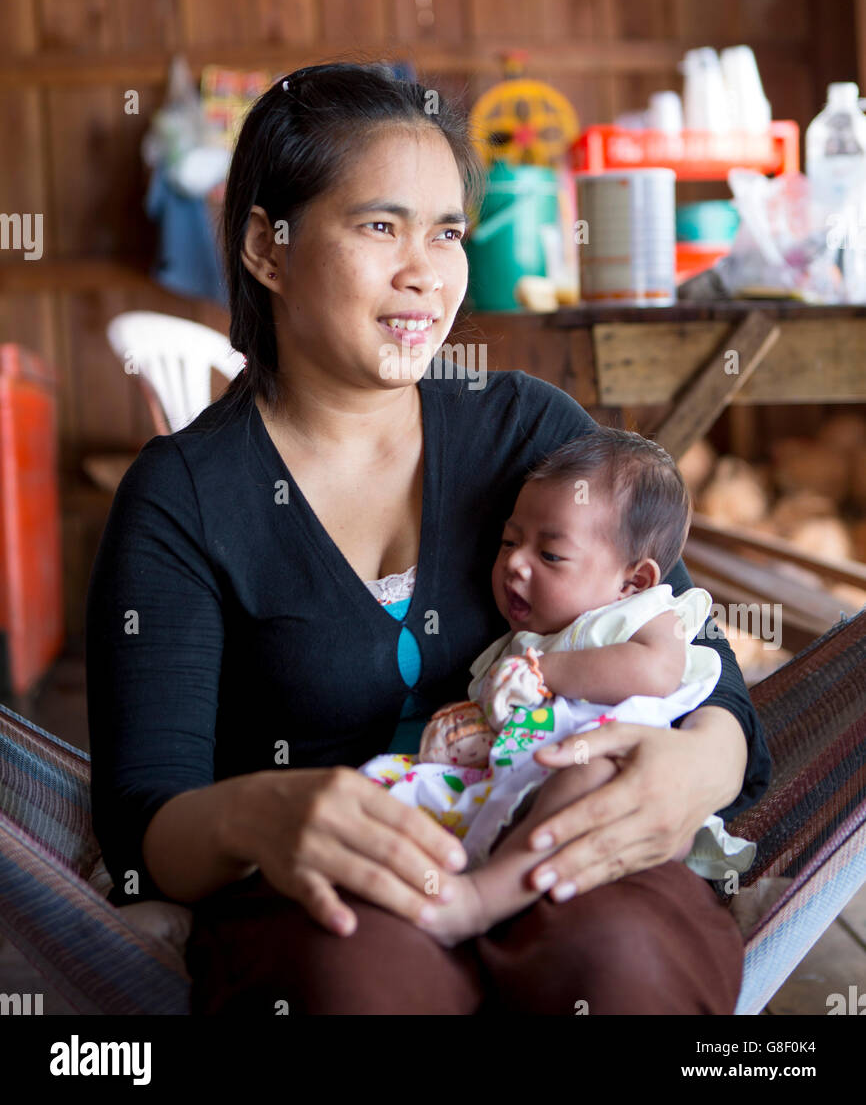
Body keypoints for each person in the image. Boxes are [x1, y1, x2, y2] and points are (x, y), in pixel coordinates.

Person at [86, 61, 771, 1016]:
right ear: (267, 248)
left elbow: (699, 663)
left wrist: (697, 768)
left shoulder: (529, 435)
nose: (426, 270)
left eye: (446, 232)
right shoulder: (184, 498)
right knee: (369, 987)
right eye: (380, 226)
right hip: (328, 894)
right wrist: (269, 812)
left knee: (622, 963)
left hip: (565, 842)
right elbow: (142, 825)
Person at [360, 428, 757, 947]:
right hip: (516, 781)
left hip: (609, 779)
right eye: (509, 542)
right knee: (387, 780)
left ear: (632, 581)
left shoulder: (640, 615)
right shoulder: (525, 642)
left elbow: (658, 670)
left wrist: (548, 674)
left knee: (586, 775)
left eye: (550, 555)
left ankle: (481, 902)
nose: (515, 564)